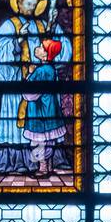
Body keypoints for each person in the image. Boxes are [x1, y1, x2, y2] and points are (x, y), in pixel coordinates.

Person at [0, 0, 71, 175]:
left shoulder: (44, 25)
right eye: (27, 3)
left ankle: (47, 162)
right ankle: (18, 162)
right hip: (19, 84)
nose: (31, 8)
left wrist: (52, 32)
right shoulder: (10, 25)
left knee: (42, 129)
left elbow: (62, 48)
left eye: (34, 4)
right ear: (18, 3)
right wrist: (17, 42)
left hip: (41, 90)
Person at [21, 37, 66, 177]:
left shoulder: (40, 71)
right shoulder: (51, 69)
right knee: (48, 140)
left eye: (41, 47)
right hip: (50, 110)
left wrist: (29, 77)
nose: (37, 48)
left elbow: (31, 93)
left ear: (46, 55)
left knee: (38, 141)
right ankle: (49, 165)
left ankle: (43, 168)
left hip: (40, 112)